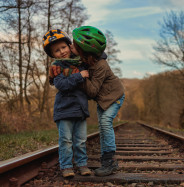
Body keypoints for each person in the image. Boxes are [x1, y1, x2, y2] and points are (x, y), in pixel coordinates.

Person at [72, 26, 125, 177]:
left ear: (83, 50)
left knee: (106, 122)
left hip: (114, 97)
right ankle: (105, 160)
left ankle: (110, 162)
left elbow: (92, 91)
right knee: (102, 127)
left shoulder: (100, 65)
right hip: (103, 100)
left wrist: (80, 75)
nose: (71, 46)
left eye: (74, 45)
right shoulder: (86, 60)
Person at [42, 29, 92, 177]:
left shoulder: (81, 63)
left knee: (81, 140)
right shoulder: (57, 68)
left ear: (69, 46)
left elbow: (95, 58)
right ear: (53, 55)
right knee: (66, 141)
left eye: (63, 47)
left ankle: (82, 164)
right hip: (64, 111)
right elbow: (62, 85)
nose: (62, 52)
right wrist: (79, 76)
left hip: (80, 110)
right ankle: (66, 166)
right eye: (57, 50)